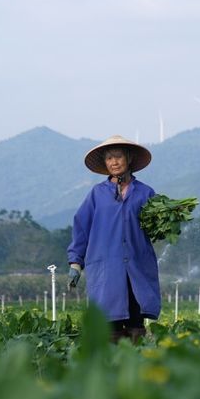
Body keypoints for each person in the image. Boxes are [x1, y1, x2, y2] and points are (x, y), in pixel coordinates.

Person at [68, 135, 161, 343]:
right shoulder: (97, 194)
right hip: (106, 268)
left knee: (136, 322)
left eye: (118, 157)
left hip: (136, 266)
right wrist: (75, 262)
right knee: (109, 321)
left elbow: (157, 227)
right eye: (109, 158)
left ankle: (136, 364)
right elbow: (81, 226)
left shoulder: (146, 193)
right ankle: (111, 366)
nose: (114, 162)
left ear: (128, 159)